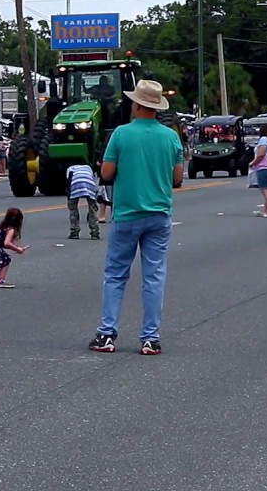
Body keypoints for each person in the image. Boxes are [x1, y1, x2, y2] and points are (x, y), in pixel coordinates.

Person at [88, 80, 184, 356]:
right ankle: (150, 338)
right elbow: (177, 178)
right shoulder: (170, 137)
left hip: (128, 213)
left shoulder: (121, 134)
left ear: (139, 104)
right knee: (154, 277)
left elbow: (106, 173)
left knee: (116, 275)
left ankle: (107, 333)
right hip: (159, 213)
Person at [65, 163, 100, 240]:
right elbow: (93, 179)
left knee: (73, 209)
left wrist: (69, 198)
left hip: (75, 184)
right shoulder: (88, 168)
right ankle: (95, 232)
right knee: (92, 209)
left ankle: (74, 232)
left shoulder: (70, 169)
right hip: (89, 184)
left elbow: (69, 181)